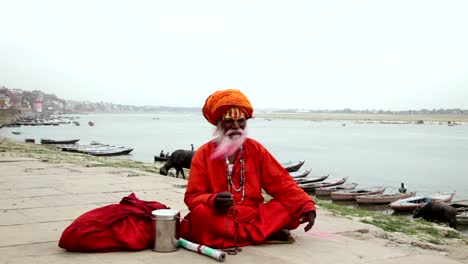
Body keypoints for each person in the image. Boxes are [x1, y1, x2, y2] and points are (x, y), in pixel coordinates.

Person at [180, 89, 316, 251]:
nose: (236, 127)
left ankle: (238, 235)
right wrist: (213, 200)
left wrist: (307, 205)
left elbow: (282, 183)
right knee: (201, 214)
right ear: (219, 124)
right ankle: (265, 233)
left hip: (253, 214)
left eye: (241, 121)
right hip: (220, 215)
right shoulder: (203, 154)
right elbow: (192, 197)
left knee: (289, 207)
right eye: (229, 121)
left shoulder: (255, 149)